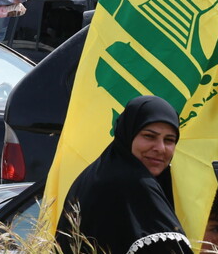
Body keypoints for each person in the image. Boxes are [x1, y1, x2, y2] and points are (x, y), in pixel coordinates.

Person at [56, 95, 192, 254]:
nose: (160, 148)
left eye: (169, 140)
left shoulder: (98, 172)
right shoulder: (133, 183)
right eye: (149, 136)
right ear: (128, 134)